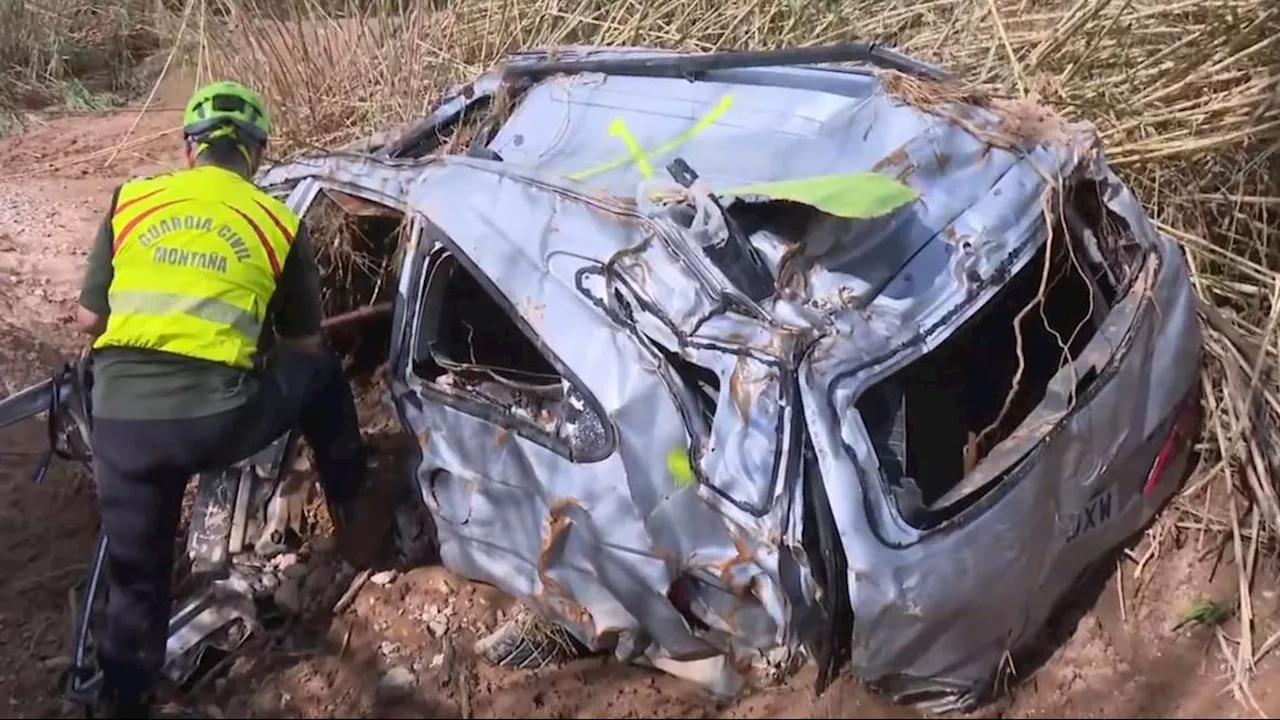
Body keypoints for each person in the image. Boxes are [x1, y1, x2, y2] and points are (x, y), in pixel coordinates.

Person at [73, 80, 386, 718]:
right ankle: (360, 518)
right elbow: (302, 343)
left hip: (123, 425)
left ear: (188, 149)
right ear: (257, 154)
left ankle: (120, 699)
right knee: (323, 373)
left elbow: (87, 320)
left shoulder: (130, 202)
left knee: (139, 569)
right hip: (216, 424)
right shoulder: (276, 222)